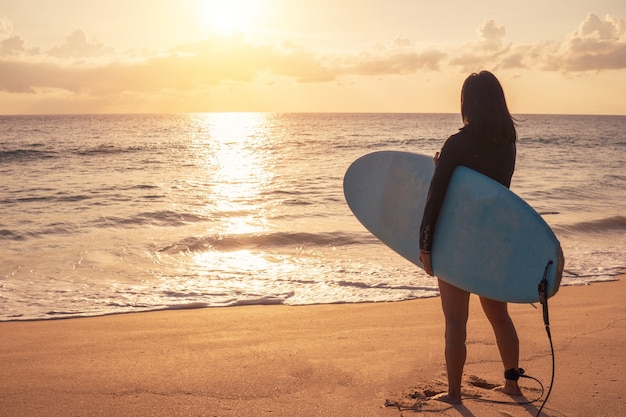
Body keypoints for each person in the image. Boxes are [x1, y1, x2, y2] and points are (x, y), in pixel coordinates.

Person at [418, 71, 522, 404]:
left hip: (457, 241)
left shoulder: (457, 143)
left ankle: (453, 394)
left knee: (455, 321)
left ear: (468, 102)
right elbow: (492, 190)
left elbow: (437, 197)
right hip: (493, 241)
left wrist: (425, 245)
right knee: (499, 316)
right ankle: (513, 384)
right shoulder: (508, 143)